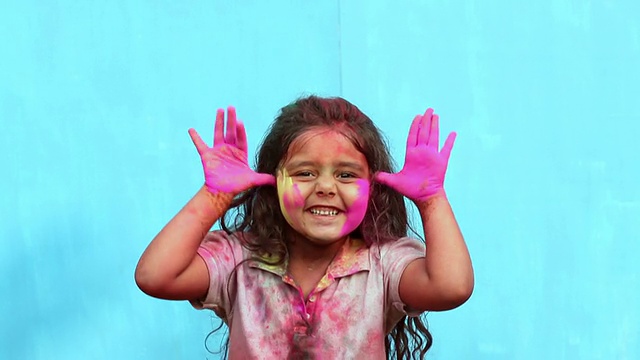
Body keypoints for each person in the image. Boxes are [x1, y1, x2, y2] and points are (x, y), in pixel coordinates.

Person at [135, 96, 474, 359]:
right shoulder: (239, 259)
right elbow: (155, 276)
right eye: (304, 173)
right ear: (273, 181)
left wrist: (431, 200)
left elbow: (452, 287)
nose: (325, 187)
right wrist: (214, 197)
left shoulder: (383, 264)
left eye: (346, 175)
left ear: (372, 186)